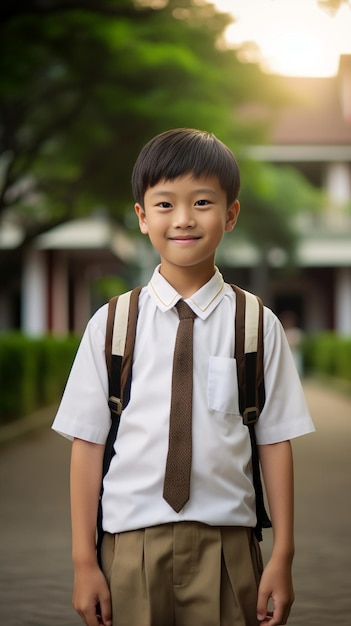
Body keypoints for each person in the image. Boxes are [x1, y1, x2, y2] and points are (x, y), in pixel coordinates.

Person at [52, 128, 315, 626]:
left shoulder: (256, 325)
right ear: (141, 216)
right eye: (165, 204)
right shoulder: (111, 325)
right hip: (129, 547)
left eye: (201, 201)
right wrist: (84, 563)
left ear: (231, 214)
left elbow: (275, 442)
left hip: (228, 548)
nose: (184, 219)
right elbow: (87, 445)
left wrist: (283, 555)